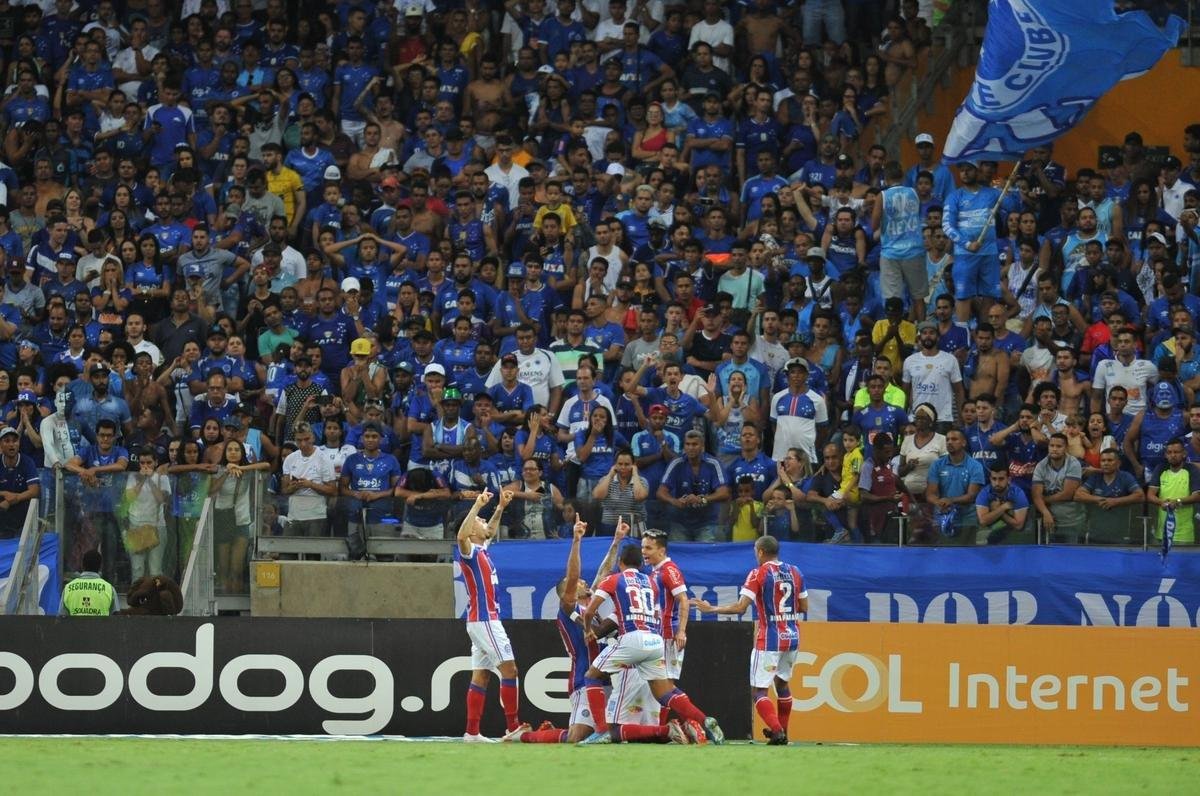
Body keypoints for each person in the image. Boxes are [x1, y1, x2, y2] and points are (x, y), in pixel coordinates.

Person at [578, 517, 725, 746]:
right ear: (639, 561)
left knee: (591, 676)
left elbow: (590, 610)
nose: (646, 551)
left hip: (635, 639)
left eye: (649, 547)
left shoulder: (622, 578)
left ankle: (601, 730)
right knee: (665, 692)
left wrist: (590, 631)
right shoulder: (651, 582)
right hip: (655, 640)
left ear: (621, 562)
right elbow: (655, 611)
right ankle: (703, 720)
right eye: (643, 548)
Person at [696, 534, 805, 746]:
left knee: (759, 691)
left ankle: (777, 730)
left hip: (770, 638)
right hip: (792, 637)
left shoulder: (758, 573)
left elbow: (740, 607)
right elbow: (805, 606)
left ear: (761, 552)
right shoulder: (795, 571)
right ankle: (784, 734)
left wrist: (712, 608)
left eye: (756, 551)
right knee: (782, 684)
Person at [456, 488, 521, 742]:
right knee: (510, 670)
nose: (485, 523)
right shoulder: (469, 550)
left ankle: (472, 732)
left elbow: (491, 530)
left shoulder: (482, 549)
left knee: (481, 675)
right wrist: (476, 507)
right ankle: (513, 727)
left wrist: (500, 507)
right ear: (473, 529)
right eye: (480, 522)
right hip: (485, 620)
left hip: (481, 621)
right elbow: (461, 535)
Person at [1146, 439, 1200, 546]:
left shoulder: (1191, 469)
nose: (1173, 455)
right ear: (1166, 455)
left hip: (1184, 535)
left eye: (1176, 452)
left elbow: (1197, 496)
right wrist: (1161, 502)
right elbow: (1150, 495)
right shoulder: (1160, 468)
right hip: (1161, 534)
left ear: (1184, 454)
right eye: (1169, 452)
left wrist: (1177, 501)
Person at [59, 549, 118, 616]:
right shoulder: (109, 589)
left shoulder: (68, 588)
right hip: (100, 626)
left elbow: (62, 618)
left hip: (75, 626)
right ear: (100, 567)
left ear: (82, 565)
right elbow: (115, 618)